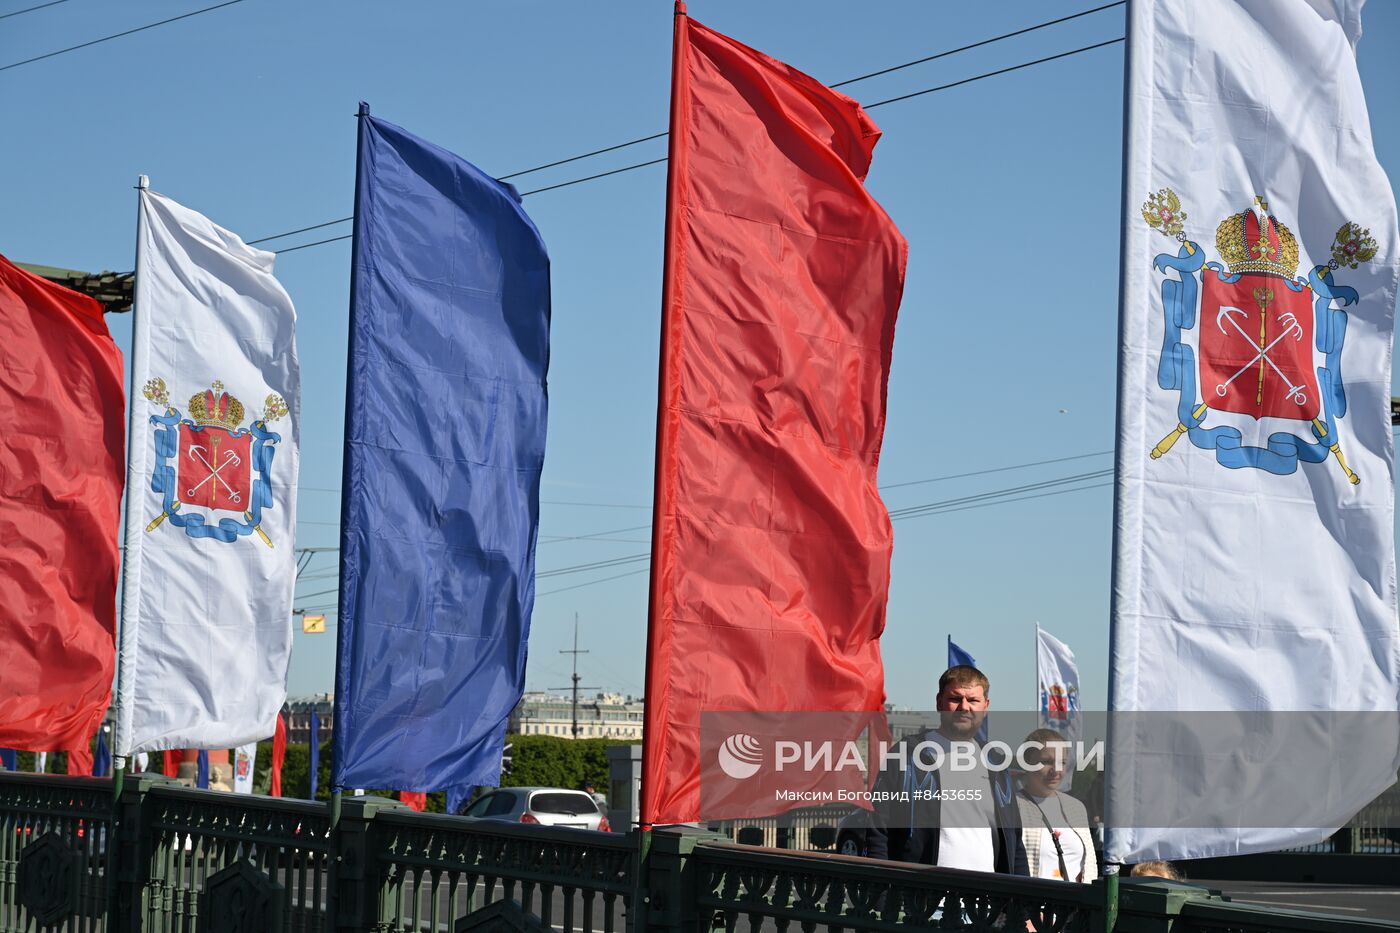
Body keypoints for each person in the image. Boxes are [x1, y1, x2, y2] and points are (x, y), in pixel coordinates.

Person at [866, 665, 1028, 874]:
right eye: (955, 699)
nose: (964, 707)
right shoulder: (907, 754)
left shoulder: (996, 762)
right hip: (923, 898)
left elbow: (1014, 841)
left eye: (973, 700)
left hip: (987, 899)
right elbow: (878, 829)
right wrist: (880, 894)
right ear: (939, 702)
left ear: (986, 707)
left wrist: (1023, 900)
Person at [1015, 728, 1097, 883]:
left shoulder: (1076, 808)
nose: (1056, 770)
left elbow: (1089, 866)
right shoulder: (1013, 807)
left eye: (1062, 762)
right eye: (1046, 761)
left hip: (1075, 905)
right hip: (1035, 904)